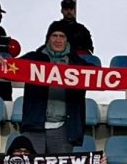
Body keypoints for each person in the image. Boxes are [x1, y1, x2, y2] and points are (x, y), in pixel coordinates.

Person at [15, 22, 93, 154]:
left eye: (62, 36)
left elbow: (105, 76)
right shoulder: (33, 58)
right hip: (34, 125)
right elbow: (10, 67)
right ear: (48, 38)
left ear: (67, 40)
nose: (58, 40)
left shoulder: (77, 63)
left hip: (63, 128)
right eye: (54, 35)